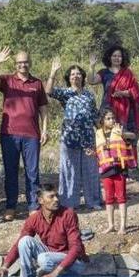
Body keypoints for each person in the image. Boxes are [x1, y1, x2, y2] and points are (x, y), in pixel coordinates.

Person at [0, 47, 49, 221]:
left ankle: (33, 206)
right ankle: (11, 206)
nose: (23, 65)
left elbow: (43, 108)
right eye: (19, 62)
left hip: (32, 135)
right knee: (11, 171)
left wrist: (44, 129)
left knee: (33, 172)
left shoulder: (37, 83)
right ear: (15, 64)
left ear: (30, 63)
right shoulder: (8, 80)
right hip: (9, 134)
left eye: (25, 62)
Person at [0, 184, 88, 277]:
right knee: (24, 241)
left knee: (44, 259)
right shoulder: (34, 218)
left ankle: (57, 275)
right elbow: (18, 244)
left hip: (74, 263)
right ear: (41, 200)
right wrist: (5, 267)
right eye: (51, 197)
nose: (56, 199)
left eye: (57, 196)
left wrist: (55, 273)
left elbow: (76, 248)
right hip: (50, 258)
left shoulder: (68, 214)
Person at [45, 57, 101, 212]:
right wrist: (53, 72)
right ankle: (70, 203)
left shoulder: (89, 95)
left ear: (83, 77)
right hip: (69, 139)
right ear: (68, 78)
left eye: (78, 74)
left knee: (91, 170)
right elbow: (48, 91)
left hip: (88, 138)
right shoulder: (65, 93)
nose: (75, 76)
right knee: (69, 170)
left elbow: (95, 116)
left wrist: (105, 133)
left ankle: (94, 201)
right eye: (72, 74)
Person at [88, 45, 139, 144]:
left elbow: (135, 91)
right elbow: (91, 81)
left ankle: (126, 158)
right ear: (109, 57)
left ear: (122, 58)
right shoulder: (104, 72)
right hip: (108, 110)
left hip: (126, 111)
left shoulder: (128, 73)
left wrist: (123, 93)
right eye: (114, 56)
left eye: (119, 56)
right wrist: (92, 66)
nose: (117, 58)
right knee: (108, 138)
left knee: (125, 140)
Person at [93, 109, 137, 235]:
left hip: (119, 169)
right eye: (108, 118)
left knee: (121, 197)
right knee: (109, 198)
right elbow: (99, 151)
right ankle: (111, 225)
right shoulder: (98, 133)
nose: (111, 120)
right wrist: (92, 153)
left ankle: (123, 225)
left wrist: (123, 134)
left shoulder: (119, 130)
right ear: (102, 121)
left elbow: (132, 136)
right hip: (106, 171)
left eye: (113, 118)